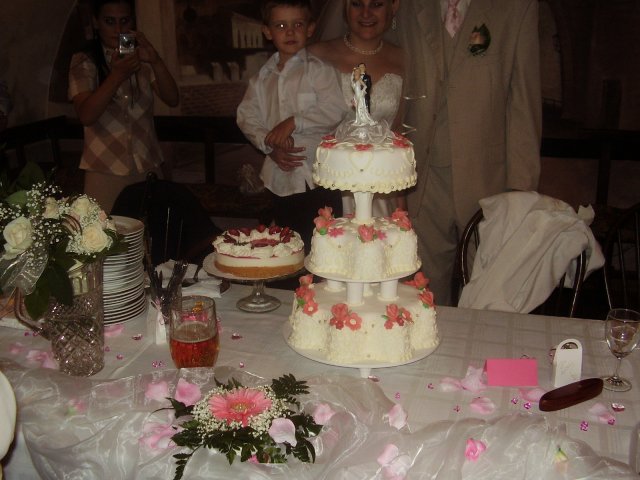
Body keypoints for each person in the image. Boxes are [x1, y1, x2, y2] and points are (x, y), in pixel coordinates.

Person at [396, 0, 542, 306]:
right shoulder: (409, 5)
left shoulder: (517, 7)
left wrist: (522, 187)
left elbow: (524, 98)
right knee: (422, 295)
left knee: (486, 294)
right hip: (421, 178)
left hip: (488, 179)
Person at [236, 0, 346, 251]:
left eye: (297, 24)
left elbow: (335, 108)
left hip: (319, 178)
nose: (289, 32)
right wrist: (269, 143)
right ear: (267, 31)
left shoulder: (319, 71)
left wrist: (294, 122)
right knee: (289, 245)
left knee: (325, 247)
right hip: (281, 179)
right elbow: (246, 116)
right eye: (281, 25)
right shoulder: (261, 79)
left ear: (310, 29)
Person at [68, 0, 179, 213]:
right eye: (110, 21)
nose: (118, 29)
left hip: (146, 163)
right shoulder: (85, 60)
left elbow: (172, 99)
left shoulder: (140, 57)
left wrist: (155, 60)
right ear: (96, 22)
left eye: (124, 21)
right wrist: (117, 75)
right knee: (104, 230)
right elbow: (86, 115)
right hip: (104, 167)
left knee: (151, 229)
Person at [308, 0, 406, 217]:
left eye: (376, 4)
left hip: (382, 188)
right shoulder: (316, 55)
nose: (366, 13)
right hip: (325, 186)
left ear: (393, 6)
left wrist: (400, 201)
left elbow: (399, 132)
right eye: (356, 4)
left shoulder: (404, 59)